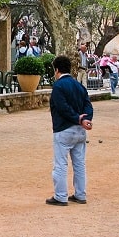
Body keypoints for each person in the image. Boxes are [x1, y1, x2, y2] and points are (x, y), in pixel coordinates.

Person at [46, 55, 93, 206]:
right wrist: (85, 119)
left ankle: (61, 196)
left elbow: (62, 108)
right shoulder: (79, 86)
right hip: (80, 130)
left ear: (57, 70)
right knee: (79, 164)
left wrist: (77, 118)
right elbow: (88, 105)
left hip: (64, 129)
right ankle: (80, 194)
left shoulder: (58, 86)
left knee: (60, 164)